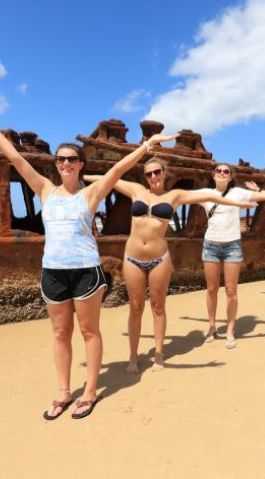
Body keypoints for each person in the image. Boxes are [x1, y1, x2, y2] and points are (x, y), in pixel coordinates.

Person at [0, 107, 176, 420]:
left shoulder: (91, 194)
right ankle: (63, 392)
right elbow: (16, 159)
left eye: (71, 159)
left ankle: (89, 391)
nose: (65, 163)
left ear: (80, 165)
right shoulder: (45, 190)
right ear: (56, 164)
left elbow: (117, 169)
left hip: (86, 271)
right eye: (60, 159)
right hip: (54, 272)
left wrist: (146, 147)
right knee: (60, 334)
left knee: (90, 331)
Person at [87, 158, 255, 372]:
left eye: (157, 172)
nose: (153, 177)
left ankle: (158, 354)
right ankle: (133, 357)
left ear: (164, 173)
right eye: (148, 174)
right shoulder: (137, 190)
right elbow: (109, 179)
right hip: (132, 257)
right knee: (136, 307)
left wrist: (241, 203)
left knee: (158, 307)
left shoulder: (174, 196)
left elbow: (209, 195)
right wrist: (82, 175)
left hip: (160, 258)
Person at [195, 164, 265, 349]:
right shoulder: (205, 193)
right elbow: (179, 197)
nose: (222, 173)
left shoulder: (238, 193)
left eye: (226, 171)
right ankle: (212, 327)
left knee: (231, 290)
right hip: (211, 244)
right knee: (211, 289)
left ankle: (230, 331)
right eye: (218, 170)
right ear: (213, 174)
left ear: (230, 176)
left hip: (232, 245)